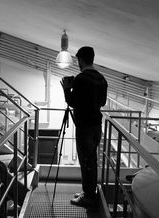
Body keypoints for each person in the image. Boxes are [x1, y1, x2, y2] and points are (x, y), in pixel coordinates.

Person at [61, 46, 108, 207]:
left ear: (81, 60)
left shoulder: (81, 79)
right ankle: (89, 192)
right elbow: (102, 102)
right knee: (92, 160)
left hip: (85, 127)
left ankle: (88, 197)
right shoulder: (102, 79)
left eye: (78, 61)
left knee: (86, 161)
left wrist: (67, 89)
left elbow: (73, 102)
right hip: (96, 126)